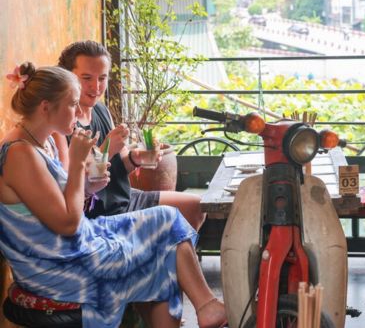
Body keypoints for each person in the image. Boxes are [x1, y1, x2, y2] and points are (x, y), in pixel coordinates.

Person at [0, 63, 226, 328]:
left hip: (75, 246)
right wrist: (76, 165)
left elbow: (59, 201)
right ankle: (207, 305)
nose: (79, 110)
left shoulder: (44, 140)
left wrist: (86, 186)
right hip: (56, 266)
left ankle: (207, 306)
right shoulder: (19, 154)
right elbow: (68, 224)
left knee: (168, 233)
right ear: (46, 107)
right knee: (165, 234)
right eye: (73, 104)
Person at [52, 41, 205, 230]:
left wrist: (137, 157)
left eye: (102, 78)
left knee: (196, 207)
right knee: (173, 224)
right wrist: (105, 149)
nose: (96, 86)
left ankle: (169, 258)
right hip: (100, 212)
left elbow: (121, 163)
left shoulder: (101, 109)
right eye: (86, 78)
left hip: (125, 197)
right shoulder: (60, 125)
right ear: (68, 77)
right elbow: (70, 186)